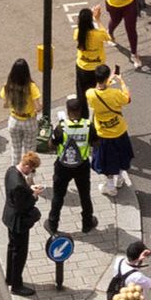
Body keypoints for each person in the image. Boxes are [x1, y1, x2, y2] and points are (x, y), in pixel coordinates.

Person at [48, 93, 96, 233]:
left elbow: (51, 146)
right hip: (82, 166)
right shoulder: (88, 126)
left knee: (58, 196)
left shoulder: (61, 127)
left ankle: (53, 225)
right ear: (80, 111)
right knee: (85, 195)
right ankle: (87, 223)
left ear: (68, 112)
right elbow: (96, 143)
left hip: (63, 166)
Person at [86, 63, 133, 196]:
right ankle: (119, 179)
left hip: (103, 133)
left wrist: (107, 80)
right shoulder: (115, 93)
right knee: (120, 156)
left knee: (106, 160)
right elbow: (127, 98)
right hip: (119, 130)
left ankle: (110, 185)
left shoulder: (90, 94)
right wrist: (121, 81)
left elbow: (97, 90)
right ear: (107, 78)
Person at [1, 152, 42, 296]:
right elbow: (22, 205)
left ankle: (10, 278)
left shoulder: (11, 171)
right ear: (26, 165)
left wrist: (29, 190)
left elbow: (16, 194)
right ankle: (17, 285)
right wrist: (34, 196)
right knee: (20, 253)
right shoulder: (18, 184)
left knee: (11, 248)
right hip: (18, 222)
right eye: (31, 169)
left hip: (9, 217)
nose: (32, 172)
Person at [0, 57, 42, 161]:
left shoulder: (8, 86)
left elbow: (5, 105)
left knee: (15, 150)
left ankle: (15, 175)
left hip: (14, 120)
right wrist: (39, 108)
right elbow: (38, 107)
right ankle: (29, 177)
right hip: (29, 121)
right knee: (29, 153)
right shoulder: (31, 87)